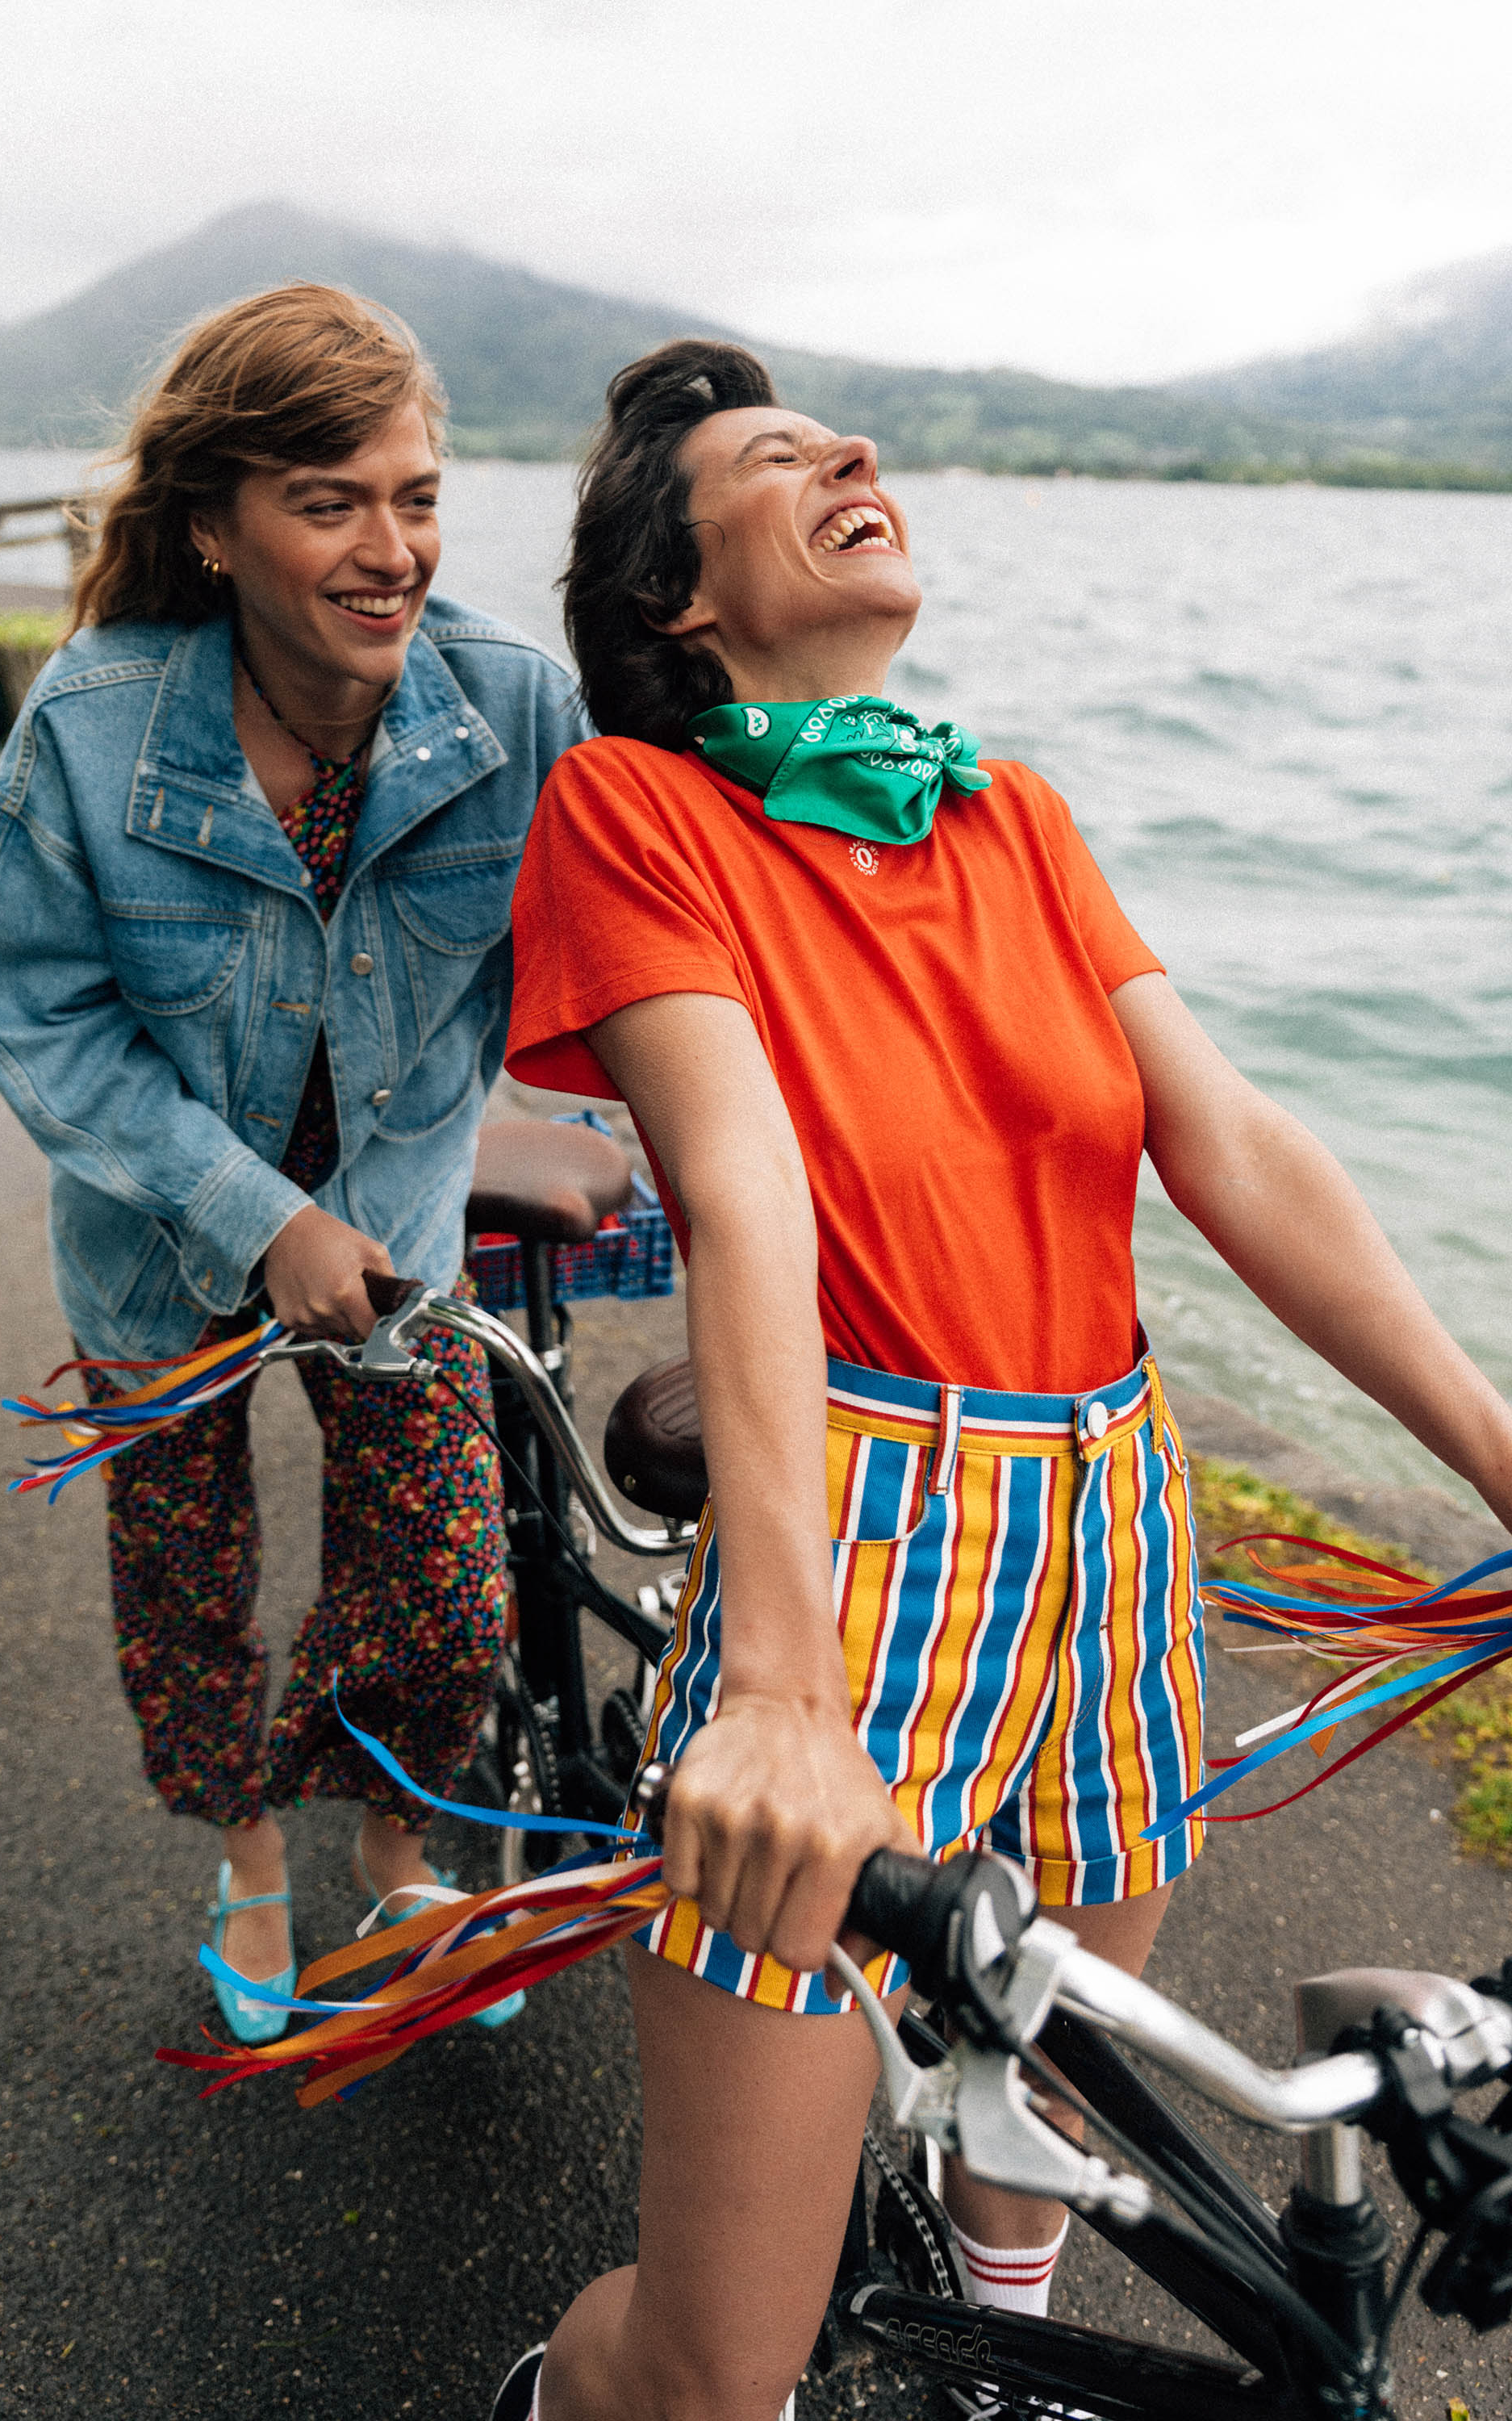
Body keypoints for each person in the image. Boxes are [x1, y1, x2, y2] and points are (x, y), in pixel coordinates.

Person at [494, 338, 1512, 2421]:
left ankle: (1004, 2334)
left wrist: (1503, 1454)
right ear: (678, 598)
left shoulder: (1009, 810)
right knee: (715, 2370)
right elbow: (745, 1189)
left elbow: (1231, 1146)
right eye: (778, 457)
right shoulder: (637, 808)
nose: (852, 452)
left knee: (1046, 2073)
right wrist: (783, 1689)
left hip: (1114, 1516)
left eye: (838, 437)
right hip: (859, 1543)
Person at [0, 284, 589, 2045]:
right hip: (158, 1236)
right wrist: (255, 1213)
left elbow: (617, 956)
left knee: (439, 1577)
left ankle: (392, 1848)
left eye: (418, 497)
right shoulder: (94, 720)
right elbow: (31, 1008)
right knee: (184, 1576)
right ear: (216, 526)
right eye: (331, 503)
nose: (392, 550)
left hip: (397, 1229)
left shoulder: (518, 705)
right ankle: (244, 1850)